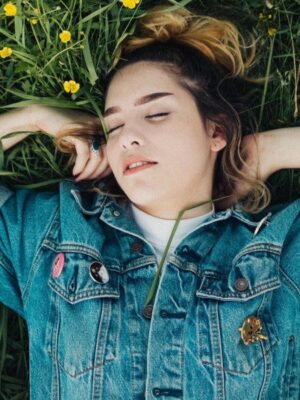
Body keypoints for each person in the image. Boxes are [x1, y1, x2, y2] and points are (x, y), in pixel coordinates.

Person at [0, 4, 300, 399]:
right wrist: (34, 117)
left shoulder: (279, 250)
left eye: (156, 113)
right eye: (114, 124)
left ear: (217, 130)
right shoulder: (53, 234)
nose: (126, 138)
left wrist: (264, 151)